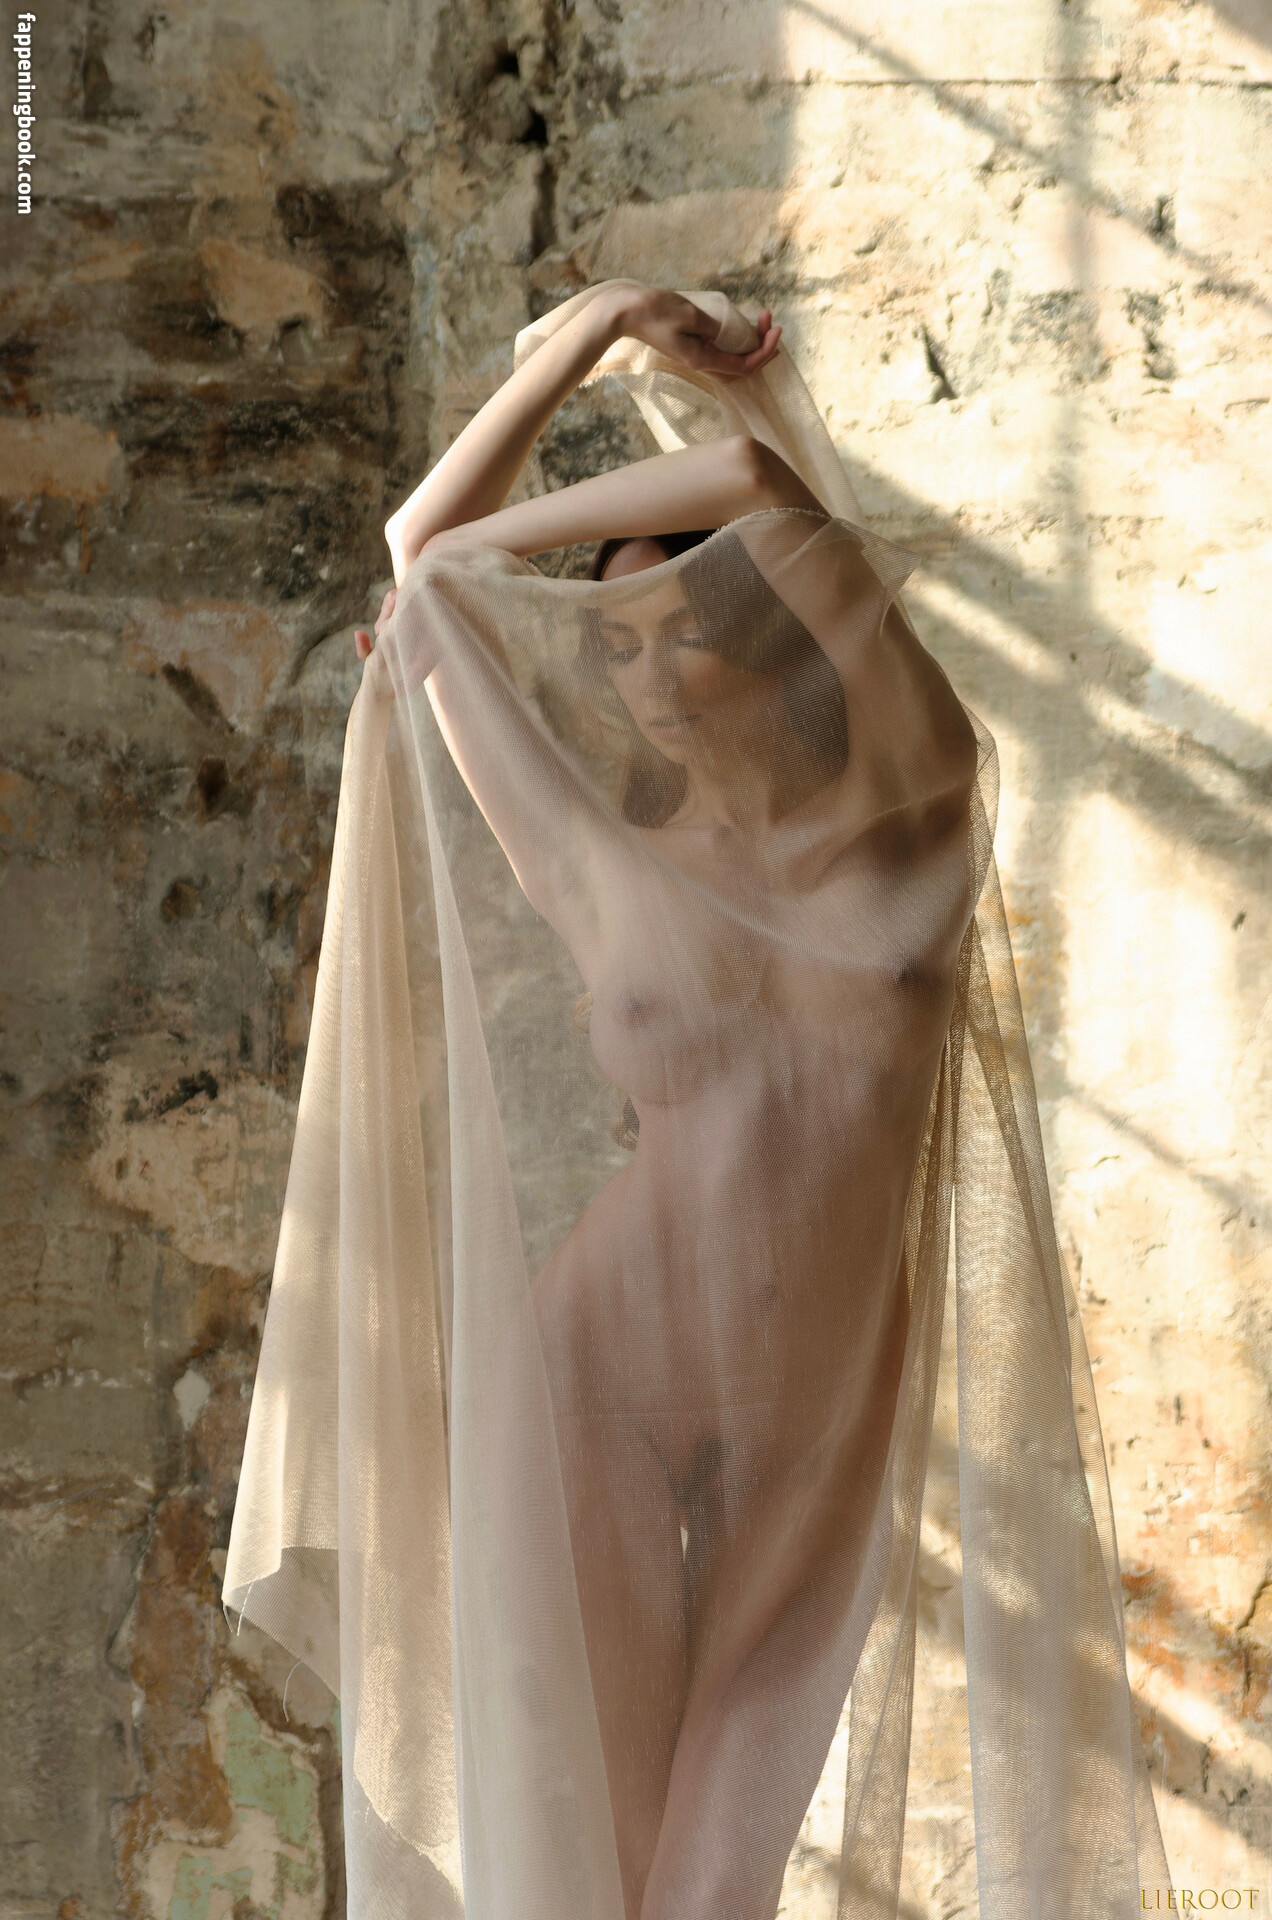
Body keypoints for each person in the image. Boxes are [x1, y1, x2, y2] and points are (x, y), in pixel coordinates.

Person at [227, 280, 1171, 1918]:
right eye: (614, 643)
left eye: (687, 628)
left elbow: (754, 487)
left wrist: (662, 352)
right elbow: (422, 559)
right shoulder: (605, 862)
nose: (652, 675)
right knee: (589, 1868)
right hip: (598, 1381)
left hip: (815, 1422)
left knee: (714, 1884)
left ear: (768, 627)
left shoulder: (915, 802)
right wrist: (589, 328)